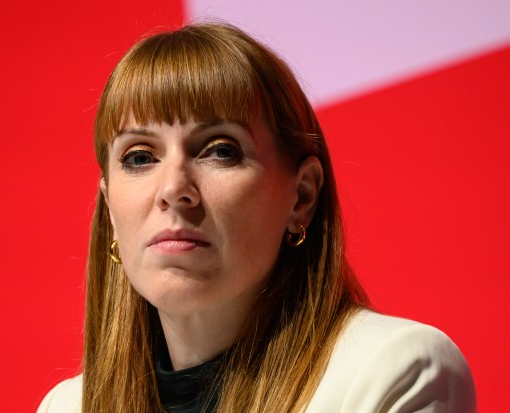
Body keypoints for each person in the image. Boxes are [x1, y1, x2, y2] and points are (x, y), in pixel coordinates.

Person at [38, 23, 476, 413]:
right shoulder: (67, 406)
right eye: (139, 157)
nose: (173, 189)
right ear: (111, 210)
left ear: (301, 196)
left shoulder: (395, 372)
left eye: (220, 150)